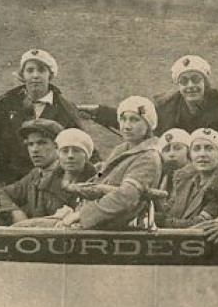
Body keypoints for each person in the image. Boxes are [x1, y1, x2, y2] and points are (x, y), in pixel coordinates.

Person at [0, 48, 84, 188]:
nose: (35, 75)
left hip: (48, 182)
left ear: (50, 75)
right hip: (8, 178)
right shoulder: (9, 101)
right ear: (22, 75)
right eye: (30, 70)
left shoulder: (65, 109)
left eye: (41, 70)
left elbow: (81, 144)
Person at [43, 95, 162, 230]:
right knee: (21, 228)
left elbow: (126, 197)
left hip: (110, 227)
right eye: (123, 119)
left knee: (24, 232)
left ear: (148, 126)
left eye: (135, 120)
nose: (127, 126)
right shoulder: (121, 150)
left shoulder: (147, 158)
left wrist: (81, 215)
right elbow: (100, 178)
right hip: (94, 222)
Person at [85, 55, 218, 143]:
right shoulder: (165, 108)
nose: (190, 86)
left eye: (196, 79)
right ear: (178, 85)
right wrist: (99, 112)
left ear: (206, 83)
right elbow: (140, 119)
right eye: (184, 81)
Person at [0, 118, 80, 224]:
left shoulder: (71, 176)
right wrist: (15, 212)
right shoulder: (35, 175)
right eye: (30, 144)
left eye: (42, 143)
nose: (35, 150)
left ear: (58, 147)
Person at [159, 128, 218, 228]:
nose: (202, 154)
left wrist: (161, 222)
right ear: (190, 155)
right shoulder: (184, 182)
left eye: (209, 148)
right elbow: (169, 212)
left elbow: (200, 224)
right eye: (196, 149)